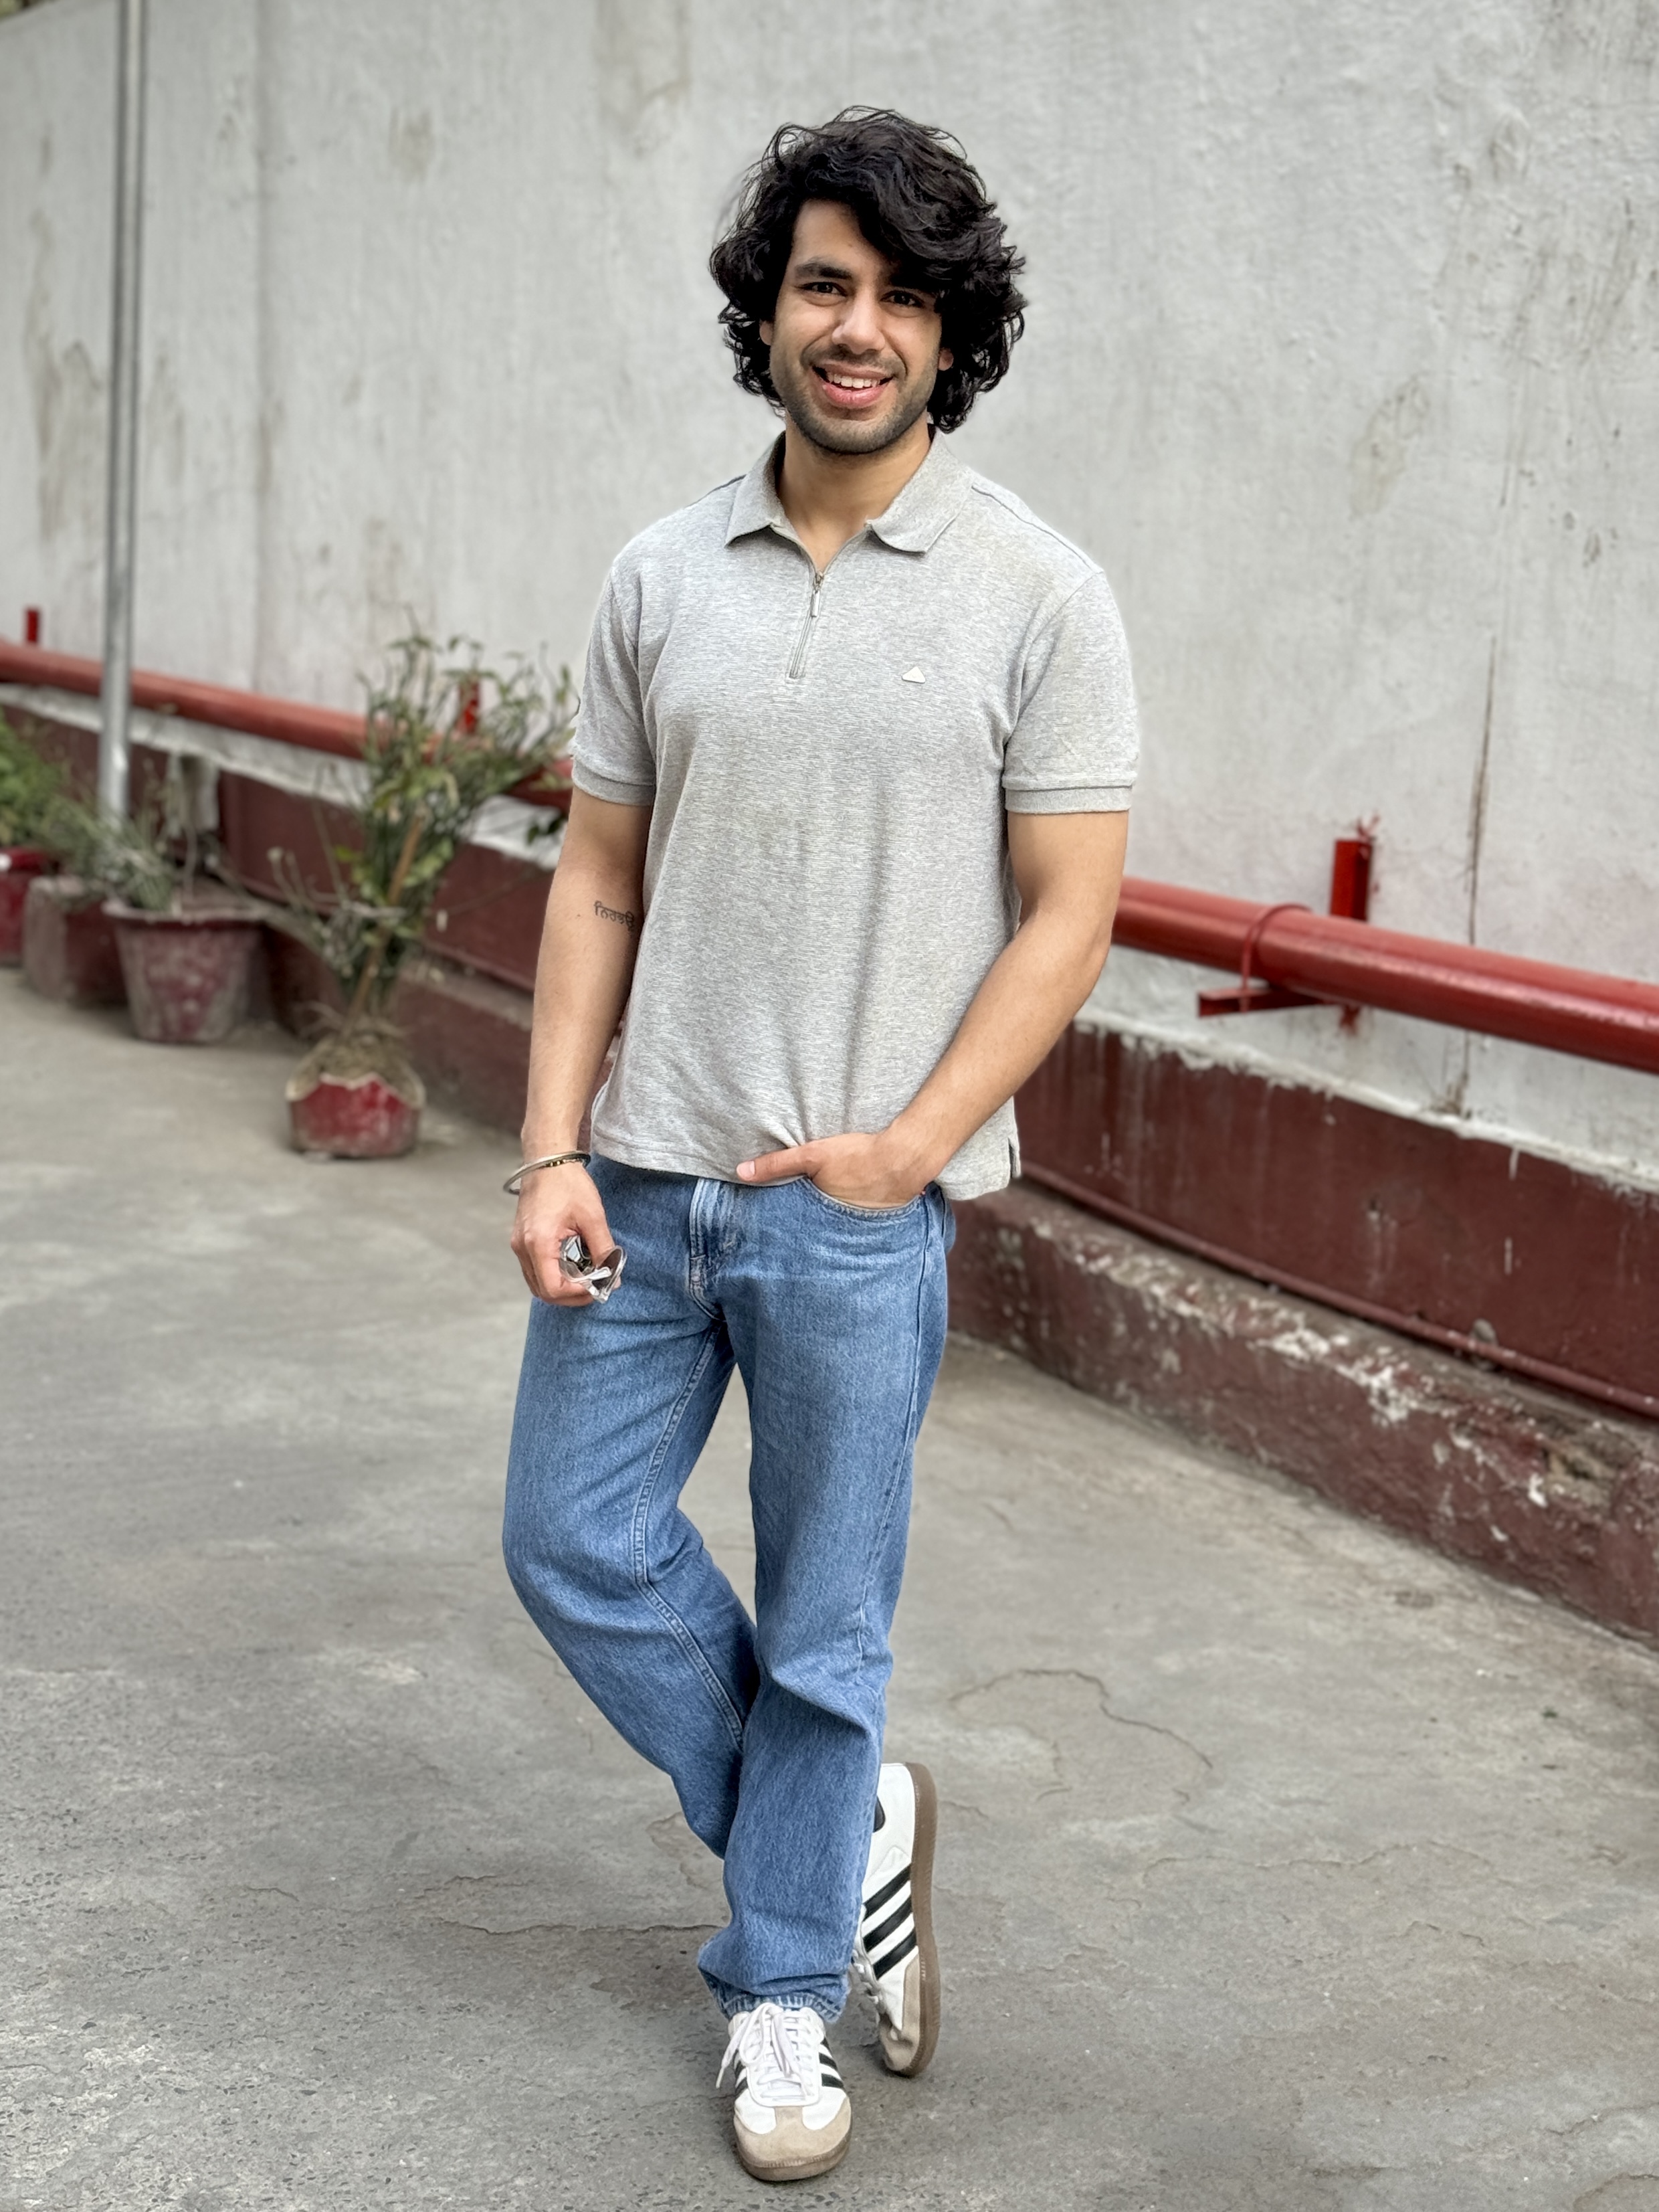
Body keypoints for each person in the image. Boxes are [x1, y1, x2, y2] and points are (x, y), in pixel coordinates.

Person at [502, 107, 1138, 2183]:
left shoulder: (1041, 592)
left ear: (954, 333)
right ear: (767, 314)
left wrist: (912, 1147)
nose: (857, 328)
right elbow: (600, 875)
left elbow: (1069, 913)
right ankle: (840, 1809)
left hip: (856, 1214)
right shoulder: (660, 574)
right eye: (822, 284)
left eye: (901, 296)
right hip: (646, 1176)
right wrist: (548, 1145)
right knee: (572, 1540)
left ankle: (780, 1995)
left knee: (830, 1619)